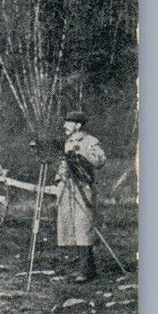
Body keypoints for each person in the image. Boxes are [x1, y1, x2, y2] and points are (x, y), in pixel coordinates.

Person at [55, 110, 106, 282]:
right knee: (72, 228)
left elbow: (100, 160)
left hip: (83, 189)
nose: (64, 126)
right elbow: (63, 164)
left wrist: (82, 154)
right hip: (68, 189)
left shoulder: (90, 141)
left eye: (67, 123)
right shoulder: (67, 141)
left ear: (77, 125)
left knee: (84, 226)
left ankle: (86, 271)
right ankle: (86, 268)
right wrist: (59, 179)